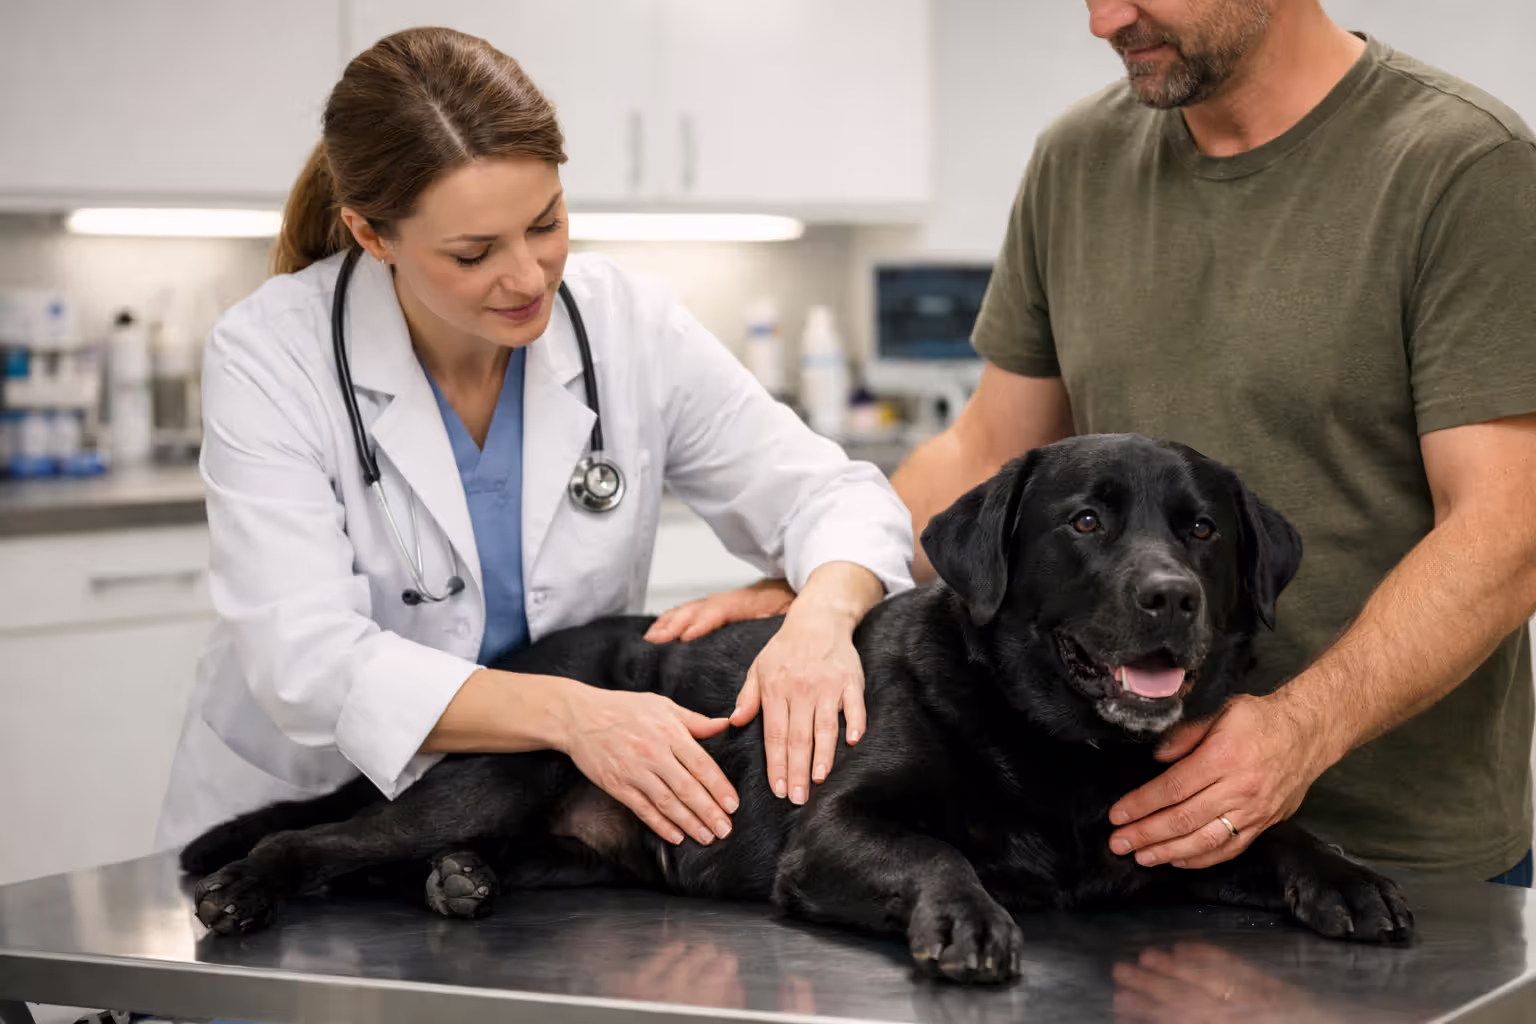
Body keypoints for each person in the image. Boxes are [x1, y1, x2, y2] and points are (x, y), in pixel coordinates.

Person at [660, 0, 1536, 883]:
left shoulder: (1462, 167)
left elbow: (1508, 524)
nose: (1105, 19)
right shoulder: (1078, 160)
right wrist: (822, 588)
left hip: (1382, 852)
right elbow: (987, 448)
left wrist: (1302, 729)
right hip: (1121, 845)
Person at [155, 26, 913, 855]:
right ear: (374, 237)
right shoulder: (274, 352)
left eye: (545, 223)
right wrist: (572, 714)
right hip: (316, 809)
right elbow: (305, 660)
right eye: (474, 253)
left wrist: (820, 616)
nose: (527, 277)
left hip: (527, 826)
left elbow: (830, 496)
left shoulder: (626, 323)